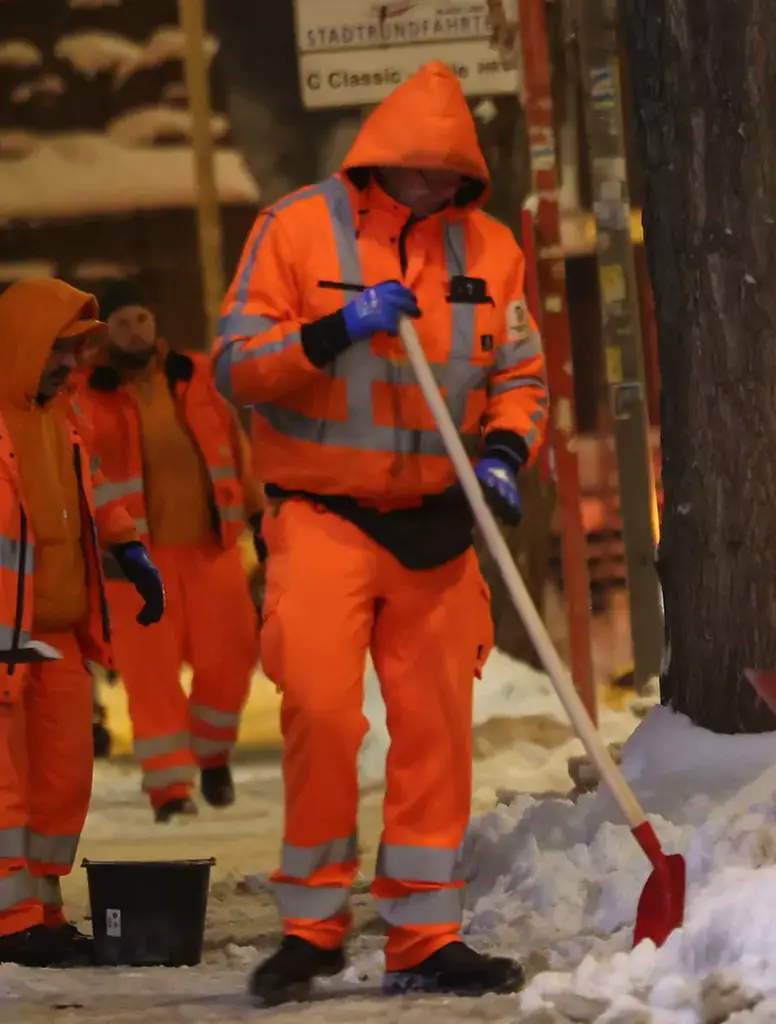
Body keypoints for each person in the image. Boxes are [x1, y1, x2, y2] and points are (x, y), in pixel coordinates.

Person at [212, 61, 547, 1003]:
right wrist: (334, 330)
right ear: (381, 163)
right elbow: (235, 367)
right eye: (424, 172)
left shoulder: (488, 251)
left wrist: (503, 457)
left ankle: (423, 934)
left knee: (436, 730)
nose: (440, 189)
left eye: (455, 176)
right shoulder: (296, 229)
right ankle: (312, 927)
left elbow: (519, 374)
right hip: (322, 513)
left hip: (437, 522)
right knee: (321, 711)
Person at [0, 278, 164, 967]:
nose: (72, 364)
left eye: (77, 350)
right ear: (23, 346)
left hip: (59, 631)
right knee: (5, 783)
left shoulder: (61, 415)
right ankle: (10, 920)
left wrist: (125, 541)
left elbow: (87, 487)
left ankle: (43, 911)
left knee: (62, 779)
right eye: (60, 350)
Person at [74, 278, 266, 823]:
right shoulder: (84, 395)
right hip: (134, 567)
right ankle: (170, 790)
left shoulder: (197, 376)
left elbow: (236, 448)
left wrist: (260, 515)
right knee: (151, 680)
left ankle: (210, 755)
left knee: (231, 659)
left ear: (155, 323)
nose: (133, 330)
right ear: (104, 332)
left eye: (140, 318)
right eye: (119, 322)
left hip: (212, 552)